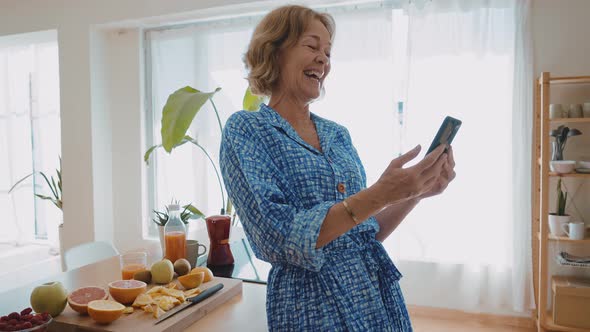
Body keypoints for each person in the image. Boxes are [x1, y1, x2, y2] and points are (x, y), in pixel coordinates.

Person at [220, 5, 455, 331]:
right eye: (312, 46)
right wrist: (381, 193)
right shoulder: (247, 130)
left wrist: (413, 194)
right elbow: (278, 237)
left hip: (375, 296)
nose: (324, 60)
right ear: (274, 52)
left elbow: (364, 233)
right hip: (310, 306)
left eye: (328, 52)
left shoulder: (337, 134)